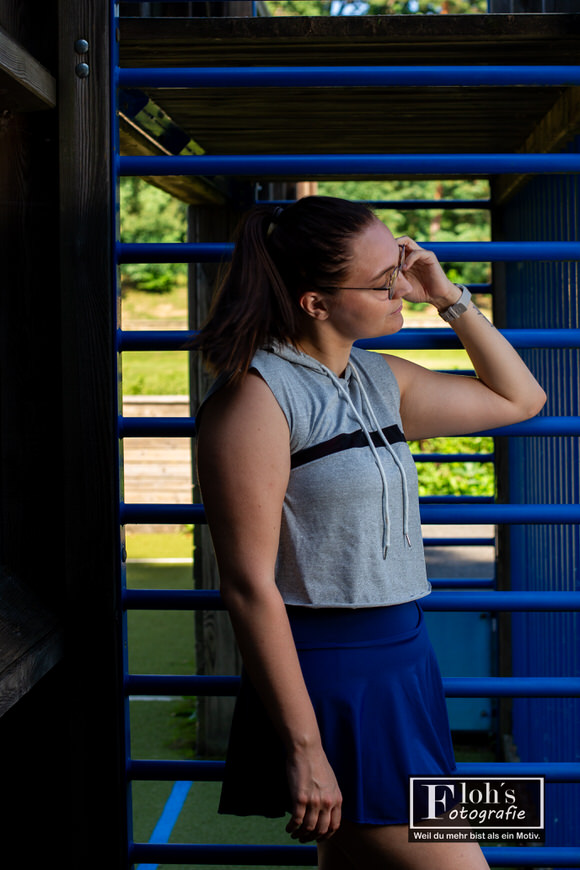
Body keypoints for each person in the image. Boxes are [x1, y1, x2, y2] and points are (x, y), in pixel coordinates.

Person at [193, 196, 546, 870]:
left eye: (402, 268)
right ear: (316, 303)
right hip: (332, 676)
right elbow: (247, 587)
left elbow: (520, 399)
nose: (403, 289)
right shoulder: (255, 401)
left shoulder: (380, 379)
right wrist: (305, 748)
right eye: (385, 281)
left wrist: (448, 296)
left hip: (406, 658)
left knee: (356, 864)